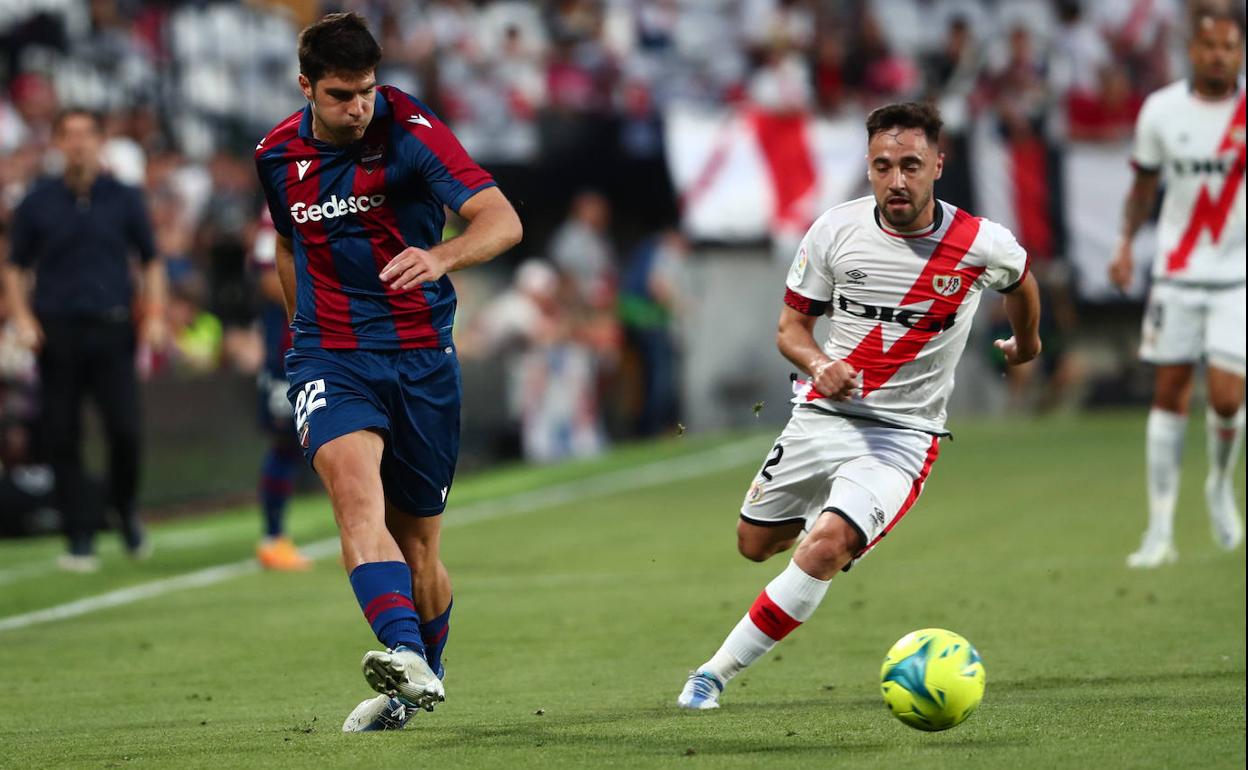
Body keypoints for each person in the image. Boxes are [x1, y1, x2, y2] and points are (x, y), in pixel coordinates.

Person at [675, 101, 1041, 710]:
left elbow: (1022, 281)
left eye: (911, 165)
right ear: (868, 167)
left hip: (903, 435)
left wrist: (1027, 342)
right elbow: (791, 329)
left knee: (824, 547)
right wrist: (820, 364)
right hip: (823, 414)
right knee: (753, 544)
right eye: (883, 165)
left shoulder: (981, 242)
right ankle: (831, 505)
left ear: (938, 166)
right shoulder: (834, 230)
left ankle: (710, 676)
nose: (897, 180)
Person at [254, 13, 522, 731]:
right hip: (331, 356)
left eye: (367, 90)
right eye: (342, 94)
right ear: (306, 86)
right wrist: (298, 331)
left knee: (421, 547)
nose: (359, 107)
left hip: (421, 357)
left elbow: (501, 221)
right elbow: (287, 243)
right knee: (354, 499)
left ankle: (415, 684)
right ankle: (402, 650)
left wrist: (442, 256)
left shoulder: (408, 130)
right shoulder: (276, 155)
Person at [1107, 9, 1245, 569]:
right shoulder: (1161, 110)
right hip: (1176, 273)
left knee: (1227, 398)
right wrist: (1123, 243)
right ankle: (1159, 529)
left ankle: (1218, 483)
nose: (1218, 55)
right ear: (1193, 50)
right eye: (1208, 46)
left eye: (1228, 48)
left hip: (1238, 275)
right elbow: (1143, 187)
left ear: (1239, 53)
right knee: (1168, 394)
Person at [3, 108, 166, 573]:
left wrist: (153, 313)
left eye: (86, 135)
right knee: (62, 433)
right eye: (68, 135)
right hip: (56, 332)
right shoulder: (37, 201)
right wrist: (21, 317)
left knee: (126, 430)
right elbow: (15, 265)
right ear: (56, 142)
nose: (77, 144)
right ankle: (78, 535)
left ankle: (123, 506)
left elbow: (150, 259)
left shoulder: (125, 197)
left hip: (114, 327)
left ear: (99, 141)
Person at [251, 208, 311, 571]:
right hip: (290, 348)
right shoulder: (278, 202)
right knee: (286, 441)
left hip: (346, 344)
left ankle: (366, 535)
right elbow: (266, 278)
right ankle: (273, 538)